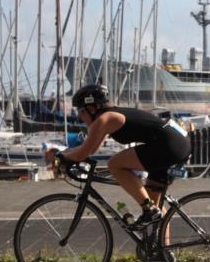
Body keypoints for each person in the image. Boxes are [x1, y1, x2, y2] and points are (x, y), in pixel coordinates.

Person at [44, 84, 191, 227]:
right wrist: (63, 154)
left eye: (81, 112)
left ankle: (149, 209)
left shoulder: (105, 119)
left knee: (115, 164)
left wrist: (62, 158)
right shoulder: (108, 117)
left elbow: (84, 153)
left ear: (91, 108)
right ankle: (163, 250)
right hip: (175, 143)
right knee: (156, 208)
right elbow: (91, 148)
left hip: (167, 146)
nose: (81, 117)